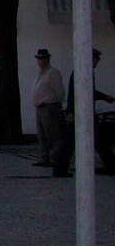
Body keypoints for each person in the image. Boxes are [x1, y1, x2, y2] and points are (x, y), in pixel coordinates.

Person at [51, 49, 115, 178]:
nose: (97, 62)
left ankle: (60, 168)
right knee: (90, 142)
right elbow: (81, 93)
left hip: (82, 112)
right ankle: (59, 168)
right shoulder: (83, 72)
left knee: (95, 141)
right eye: (96, 59)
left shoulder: (81, 71)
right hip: (82, 113)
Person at [31, 48, 65, 167]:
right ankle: (45, 158)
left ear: (48, 59)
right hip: (40, 108)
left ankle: (55, 159)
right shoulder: (40, 73)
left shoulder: (53, 72)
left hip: (49, 107)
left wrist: (59, 103)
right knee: (41, 135)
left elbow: (59, 90)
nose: (41, 61)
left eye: (43, 59)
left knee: (52, 135)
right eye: (39, 59)